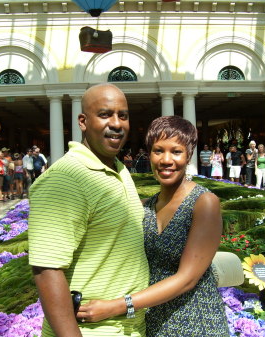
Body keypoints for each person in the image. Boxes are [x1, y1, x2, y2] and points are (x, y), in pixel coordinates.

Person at [77, 115, 229, 337]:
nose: (166, 160)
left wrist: (116, 306)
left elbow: (187, 279)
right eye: (158, 151)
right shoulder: (146, 207)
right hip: (155, 322)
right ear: (149, 154)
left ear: (188, 155)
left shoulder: (204, 203)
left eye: (176, 151)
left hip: (197, 321)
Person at [28, 83, 149, 337]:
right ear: (83, 121)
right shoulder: (65, 179)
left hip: (129, 327)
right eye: (105, 114)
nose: (116, 123)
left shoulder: (119, 168)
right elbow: (47, 269)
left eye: (123, 115)